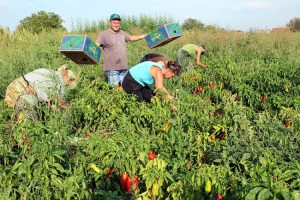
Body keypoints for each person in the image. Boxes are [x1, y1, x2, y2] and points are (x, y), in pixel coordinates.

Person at [4, 64, 78, 120]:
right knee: (30, 123)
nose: (66, 86)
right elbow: (56, 100)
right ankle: (26, 130)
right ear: (67, 78)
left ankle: (19, 120)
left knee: (31, 111)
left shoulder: (49, 72)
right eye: (67, 84)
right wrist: (70, 108)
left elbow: (50, 101)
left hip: (12, 90)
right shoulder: (56, 81)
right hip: (21, 92)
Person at [95, 14, 147, 86]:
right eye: (114, 23)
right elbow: (95, 46)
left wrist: (144, 36)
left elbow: (131, 38)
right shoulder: (104, 34)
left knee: (125, 89)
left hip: (124, 68)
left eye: (118, 23)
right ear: (110, 23)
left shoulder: (122, 33)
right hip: (112, 69)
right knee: (115, 90)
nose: (116, 25)